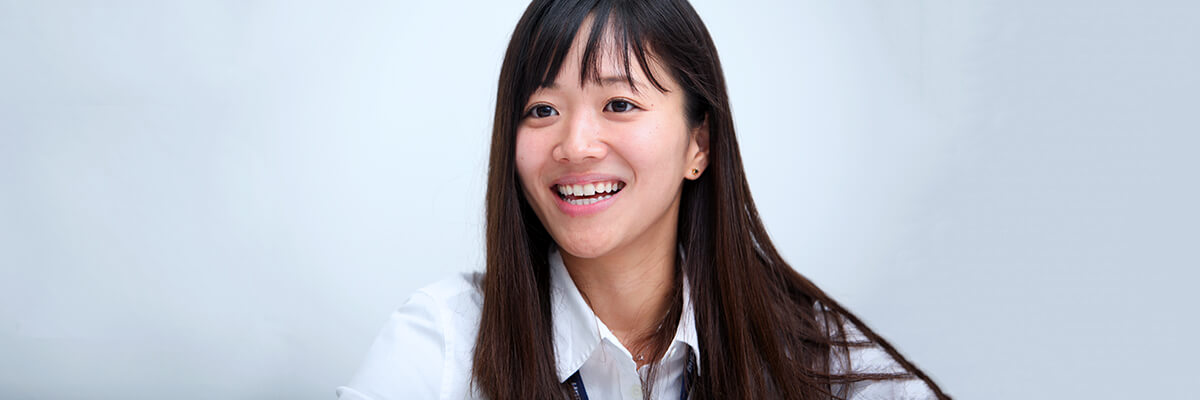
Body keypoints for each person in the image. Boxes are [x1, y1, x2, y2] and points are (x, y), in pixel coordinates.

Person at [337, 0, 950, 399]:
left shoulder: (808, 357)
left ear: (698, 144)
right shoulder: (442, 345)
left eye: (619, 104)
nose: (574, 145)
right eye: (542, 110)